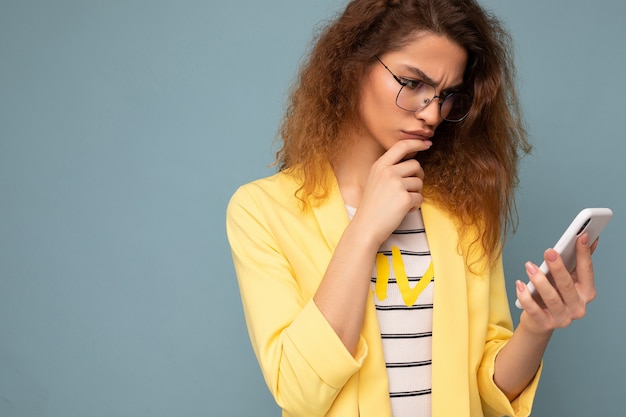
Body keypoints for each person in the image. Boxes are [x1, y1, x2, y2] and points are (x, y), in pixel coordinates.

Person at [226, 0, 598, 416]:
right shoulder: (262, 210)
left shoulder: (463, 210)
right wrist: (365, 228)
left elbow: (487, 393)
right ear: (353, 65)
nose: (432, 112)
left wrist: (537, 327)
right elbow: (297, 390)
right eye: (412, 82)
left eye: (446, 95)